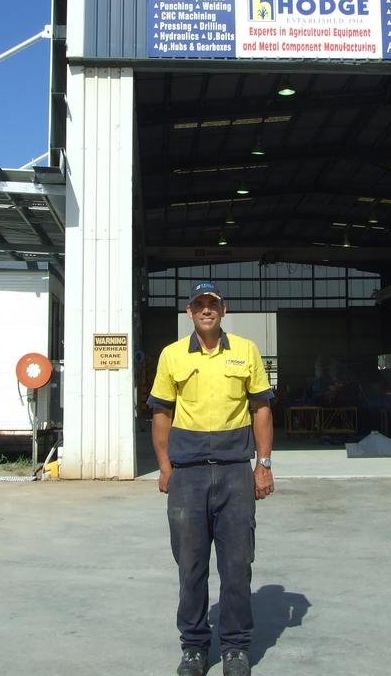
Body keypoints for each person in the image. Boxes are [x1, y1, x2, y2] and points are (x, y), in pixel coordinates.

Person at [148, 281, 275, 676]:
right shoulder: (172, 356)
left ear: (223, 310)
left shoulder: (245, 351)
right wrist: (165, 466)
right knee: (191, 566)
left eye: (213, 304)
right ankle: (194, 648)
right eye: (199, 304)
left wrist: (263, 464)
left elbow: (261, 410)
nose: (206, 310)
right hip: (187, 475)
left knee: (237, 564)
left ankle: (236, 648)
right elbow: (161, 413)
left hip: (236, 471)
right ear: (189, 312)